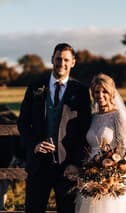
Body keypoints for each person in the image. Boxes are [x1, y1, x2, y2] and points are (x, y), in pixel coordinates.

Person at [17, 43, 92, 213]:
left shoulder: (80, 91)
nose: (61, 63)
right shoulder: (35, 87)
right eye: (58, 58)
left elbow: (84, 129)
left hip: (67, 168)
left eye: (66, 60)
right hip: (38, 166)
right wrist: (34, 144)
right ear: (52, 59)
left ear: (73, 62)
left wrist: (76, 163)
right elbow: (22, 122)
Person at [75, 73, 126, 213]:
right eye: (97, 92)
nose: (100, 95)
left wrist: (110, 175)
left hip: (113, 178)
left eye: (104, 91)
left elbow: (124, 152)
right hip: (92, 177)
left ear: (111, 92)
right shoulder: (93, 117)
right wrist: (88, 172)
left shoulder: (118, 117)